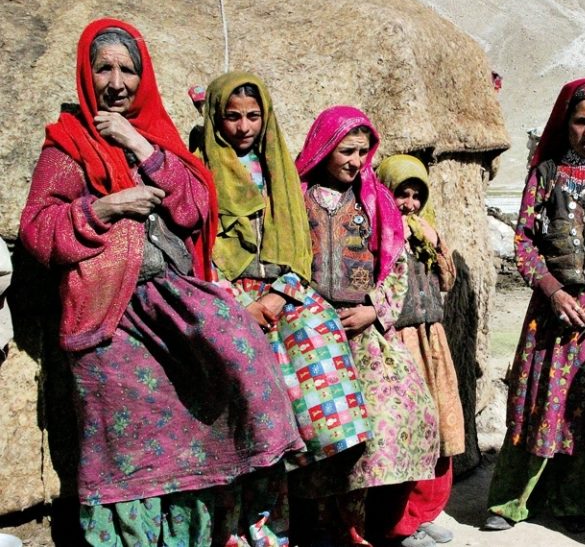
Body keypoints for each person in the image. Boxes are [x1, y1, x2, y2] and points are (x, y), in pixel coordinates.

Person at [18, 19, 302, 546]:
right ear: (86, 73)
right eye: (104, 69)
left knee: (247, 371)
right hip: (108, 315)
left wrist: (138, 145)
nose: (116, 82)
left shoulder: (159, 137)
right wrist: (105, 207)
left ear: (144, 76)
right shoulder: (67, 145)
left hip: (174, 301)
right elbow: (37, 230)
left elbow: (194, 208)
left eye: (128, 69)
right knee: (124, 446)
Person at [196, 72, 373, 541]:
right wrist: (238, 306)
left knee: (302, 414)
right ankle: (232, 533)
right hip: (226, 301)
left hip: (285, 293)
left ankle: (274, 529)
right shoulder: (198, 171)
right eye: (232, 117)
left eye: (253, 116)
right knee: (247, 422)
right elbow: (198, 249)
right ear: (216, 118)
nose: (244, 127)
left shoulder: (278, 172)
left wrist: (277, 295)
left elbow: (298, 245)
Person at [483, 78, 585, 533]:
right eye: (580, 121)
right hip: (552, 312)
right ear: (566, 123)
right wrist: (554, 291)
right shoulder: (546, 175)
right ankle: (512, 501)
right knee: (537, 403)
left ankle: (575, 501)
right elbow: (523, 241)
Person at [290, 106, 440, 546]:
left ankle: (363, 526)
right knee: (323, 434)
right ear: (324, 148)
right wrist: (308, 311)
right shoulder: (296, 197)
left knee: (391, 419)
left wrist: (374, 310)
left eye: (362, 152)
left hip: (364, 331)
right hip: (310, 331)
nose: (356, 161)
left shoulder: (376, 201)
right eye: (346, 151)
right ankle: (320, 528)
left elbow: (396, 266)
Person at [366, 154, 466, 547]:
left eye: (416, 196)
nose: (409, 204)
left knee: (440, 429)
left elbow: (447, 281)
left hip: (432, 339)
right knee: (408, 431)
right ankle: (397, 523)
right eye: (401, 195)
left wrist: (435, 242)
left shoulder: (426, 233)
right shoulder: (377, 232)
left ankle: (423, 515)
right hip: (400, 340)